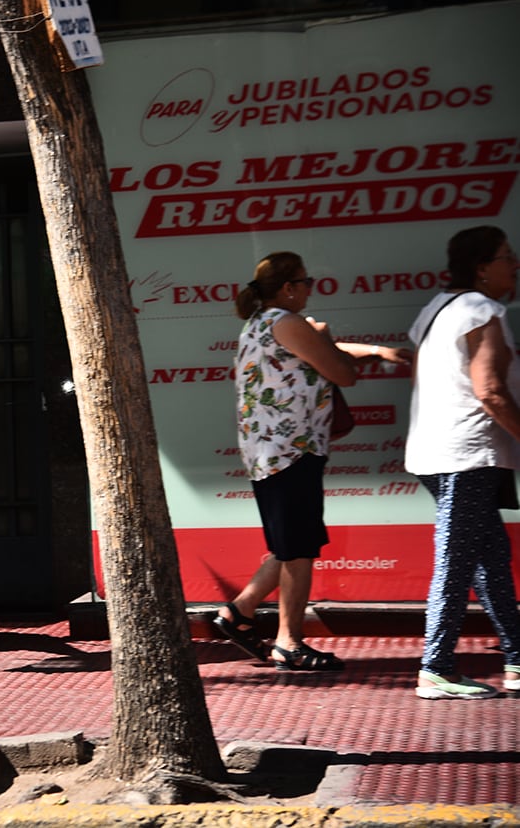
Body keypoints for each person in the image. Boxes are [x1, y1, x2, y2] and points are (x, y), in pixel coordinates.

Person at [216, 251, 410, 671]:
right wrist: (326, 338)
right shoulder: (288, 322)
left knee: (288, 546)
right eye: (306, 283)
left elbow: (324, 350)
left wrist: (378, 350)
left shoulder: (262, 324)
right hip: (291, 450)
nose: (310, 290)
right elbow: (342, 372)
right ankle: (290, 642)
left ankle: (239, 612)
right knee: (298, 550)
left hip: (272, 450)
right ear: (288, 288)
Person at [404, 225, 520, 699]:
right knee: (456, 560)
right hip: (465, 456)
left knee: (490, 557)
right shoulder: (481, 310)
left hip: (442, 452)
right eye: (506, 256)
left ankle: (516, 657)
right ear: (481, 268)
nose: (514, 264)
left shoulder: (436, 309)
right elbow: (490, 390)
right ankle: (436, 666)